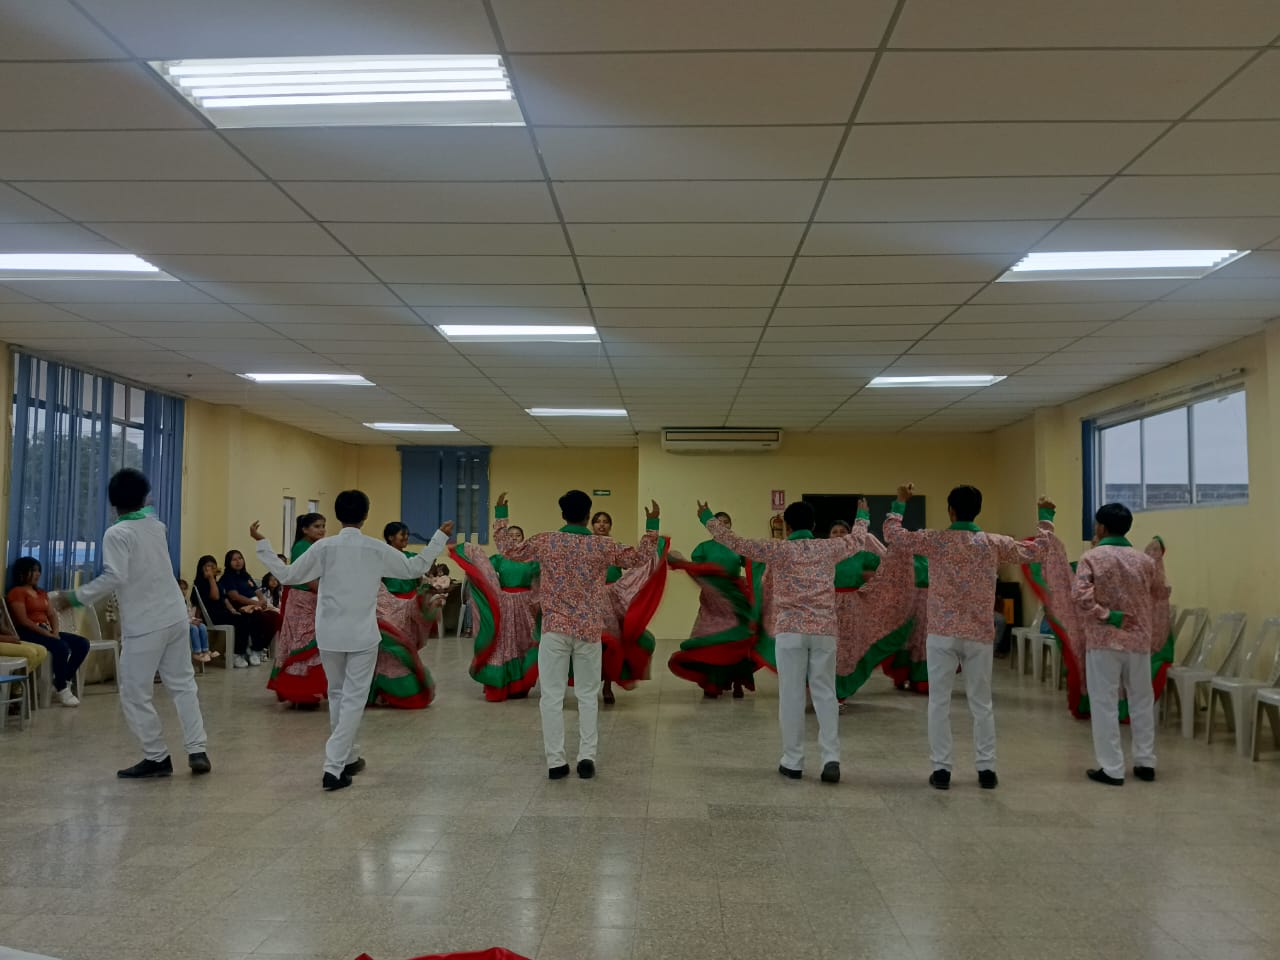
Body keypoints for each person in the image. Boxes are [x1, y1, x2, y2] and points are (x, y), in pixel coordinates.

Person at [251, 490, 452, 791]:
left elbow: (287, 574)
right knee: (354, 699)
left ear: (337, 514)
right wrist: (439, 537)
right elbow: (415, 568)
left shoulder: (324, 547)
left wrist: (263, 545)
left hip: (329, 634)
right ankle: (333, 767)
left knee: (337, 694)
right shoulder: (374, 548)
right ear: (366, 515)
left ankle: (349, 758)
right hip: (361, 635)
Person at [885, 483, 1057, 791]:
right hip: (979, 634)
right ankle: (986, 769)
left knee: (939, 703)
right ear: (978, 510)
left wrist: (900, 503)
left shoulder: (935, 540)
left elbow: (894, 536)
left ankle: (941, 770)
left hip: (942, 633)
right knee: (981, 703)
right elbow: (1039, 551)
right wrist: (1046, 516)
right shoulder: (993, 542)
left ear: (950, 511)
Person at [698, 498, 870, 784]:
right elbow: (859, 539)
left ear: (787, 527)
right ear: (813, 525)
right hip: (824, 630)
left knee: (792, 695)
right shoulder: (829, 547)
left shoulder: (778, 549)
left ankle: (793, 761)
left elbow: (736, 543)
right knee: (826, 693)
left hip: (791, 631)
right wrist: (862, 514)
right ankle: (831, 758)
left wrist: (707, 518)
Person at [51, 469, 210, 778]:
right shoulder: (156, 526)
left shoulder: (117, 533)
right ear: (143, 497)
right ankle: (197, 750)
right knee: (183, 686)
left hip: (146, 623)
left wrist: (74, 597)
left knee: (135, 693)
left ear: (113, 502)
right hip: (175, 616)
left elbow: (115, 576)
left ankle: (157, 756)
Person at [494, 491, 660, 780]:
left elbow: (509, 549)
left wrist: (500, 515)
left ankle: (556, 762)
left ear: (562, 515)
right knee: (587, 695)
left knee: (551, 697)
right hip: (588, 631)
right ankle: (586, 757)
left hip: (555, 630)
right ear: (588, 516)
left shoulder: (546, 540)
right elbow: (639, 558)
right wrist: (652, 525)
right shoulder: (603, 545)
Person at [1070, 505, 1171, 786]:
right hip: (1139, 641)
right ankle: (1145, 762)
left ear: (1101, 528)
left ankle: (1112, 768)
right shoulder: (1145, 561)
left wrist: (1107, 615)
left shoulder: (1091, 557)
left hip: (1104, 641)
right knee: (1142, 701)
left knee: (1104, 703)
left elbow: (1080, 596)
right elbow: (1160, 594)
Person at [449, 499, 541, 701]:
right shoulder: (500, 559)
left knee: (524, 643)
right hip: (505, 604)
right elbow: (484, 570)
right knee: (505, 643)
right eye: (511, 535)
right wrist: (467, 555)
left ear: (524, 540)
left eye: (518, 536)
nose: (514, 539)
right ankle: (501, 684)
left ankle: (520, 684)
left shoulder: (532, 561)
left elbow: (541, 582)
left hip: (525, 607)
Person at [666, 512, 760, 700]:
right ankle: (712, 682)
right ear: (711, 526)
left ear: (731, 526)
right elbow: (699, 571)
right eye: (718, 522)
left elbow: (752, 565)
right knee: (714, 639)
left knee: (738, 638)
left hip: (735, 598)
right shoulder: (703, 547)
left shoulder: (738, 547)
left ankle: (737, 681)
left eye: (726, 522)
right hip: (712, 600)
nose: (722, 525)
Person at [591, 509, 668, 705]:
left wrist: (652, 525)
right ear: (592, 525)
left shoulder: (615, 547)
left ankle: (607, 686)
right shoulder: (585, 546)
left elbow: (640, 563)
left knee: (613, 643)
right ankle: (588, 687)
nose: (602, 524)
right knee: (591, 644)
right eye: (598, 521)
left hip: (613, 601)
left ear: (610, 525)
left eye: (605, 521)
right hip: (589, 601)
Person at [7, 557, 90, 706]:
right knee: (61, 647)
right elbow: (23, 620)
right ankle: (62, 689)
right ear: (22, 573)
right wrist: (47, 634)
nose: (37, 574)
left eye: (38, 570)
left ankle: (63, 679)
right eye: (33, 571)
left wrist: (55, 632)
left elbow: (52, 615)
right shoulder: (16, 592)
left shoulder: (41, 593)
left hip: (46, 630)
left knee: (82, 643)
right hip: (27, 632)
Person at [267, 513, 327, 707]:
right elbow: (308, 578)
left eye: (323, 526)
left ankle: (305, 691)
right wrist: (329, 593)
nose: (322, 530)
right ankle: (301, 692)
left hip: (312, 599)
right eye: (317, 526)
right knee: (304, 643)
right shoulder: (302, 547)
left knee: (308, 644)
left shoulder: (314, 546)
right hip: (303, 600)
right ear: (305, 529)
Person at [219, 550, 278, 665]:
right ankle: (247, 650)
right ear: (228, 562)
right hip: (239, 607)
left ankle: (257, 649)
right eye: (234, 559)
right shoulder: (227, 577)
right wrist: (256, 603)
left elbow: (257, 591)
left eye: (240, 558)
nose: (238, 561)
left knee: (275, 617)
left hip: (254, 605)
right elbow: (235, 596)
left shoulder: (246, 575)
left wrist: (262, 601)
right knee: (258, 616)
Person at [178, 578, 215, 663]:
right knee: (194, 628)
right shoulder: (175, 602)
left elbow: (188, 615)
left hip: (188, 622)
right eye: (180, 588)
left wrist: (196, 620)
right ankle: (197, 652)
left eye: (185, 589)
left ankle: (205, 650)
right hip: (181, 624)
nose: (183, 591)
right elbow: (179, 618)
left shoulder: (186, 602)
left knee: (202, 626)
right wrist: (191, 622)